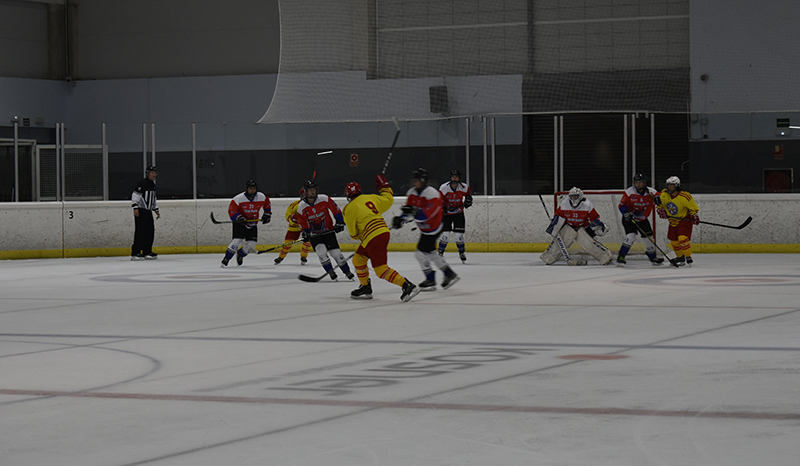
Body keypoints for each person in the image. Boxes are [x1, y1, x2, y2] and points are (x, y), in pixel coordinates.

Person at [342, 174, 420, 302]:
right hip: (381, 232)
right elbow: (389, 199)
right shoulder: (371, 198)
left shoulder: (348, 209)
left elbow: (353, 233)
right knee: (358, 259)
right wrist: (384, 187)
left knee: (380, 269)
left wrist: (358, 235)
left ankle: (407, 285)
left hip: (372, 237)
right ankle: (365, 288)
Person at [393, 168, 459, 291]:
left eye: (417, 180)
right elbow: (409, 211)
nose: (414, 182)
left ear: (423, 181)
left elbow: (428, 214)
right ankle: (449, 274)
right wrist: (400, 219)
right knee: (431, 253)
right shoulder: (412, 192)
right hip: (425, 228)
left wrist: (414, 212)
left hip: (434, 227)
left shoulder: (432, 193)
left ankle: (430, 279)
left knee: (420, 253)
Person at [296, 180, 354, 281]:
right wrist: (305, 231)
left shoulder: (324, 199)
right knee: (321, 251)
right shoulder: (301, 206)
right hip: (315, 235)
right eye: (310, 190)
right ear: (306, 191)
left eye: (314, 189)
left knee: (336, 253)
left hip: (328, 232)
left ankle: (347, 272)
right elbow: (302, 221)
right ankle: (331, 272)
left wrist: (339, 221)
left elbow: (335, 209)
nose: (313, 192)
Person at [540, 187, 613, 265]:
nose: (573, 198)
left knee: (589, 244)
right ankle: (549, 258)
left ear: (580, 196)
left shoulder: (587, 204)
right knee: (559, 242)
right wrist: (555, 225)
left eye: (575, 196)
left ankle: (605, 258)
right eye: (572, 196)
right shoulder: (565, 203)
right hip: (569, 227)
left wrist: (598, 227)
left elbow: (593, 218)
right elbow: (559, 216)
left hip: (582, 228)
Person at [616, 173, 672, 266]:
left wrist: (660, 198)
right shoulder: (630, 192)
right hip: (629, 219)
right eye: (636, 182)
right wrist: (625, 212)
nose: (638, 184)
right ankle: (621, 256)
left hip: (642, 219)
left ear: (644, 183)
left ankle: (652, 257)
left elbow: (662, 196)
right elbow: (621, 205)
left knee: (649, 238)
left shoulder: (651, 192)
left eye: (640, 182)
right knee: (631, 237)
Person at [220, 180, 271, 267]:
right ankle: (226, 259)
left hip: (252, 223)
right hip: (239, 223)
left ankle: (240, 254)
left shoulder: (261, 197)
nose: (252, 190)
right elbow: (232, 210)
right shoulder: (238, 198)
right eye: (250, 188)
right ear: (247, 189)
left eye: (254, 188)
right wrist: (238, 217)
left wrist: (267, 214)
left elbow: (267, 204)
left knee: (251, 245)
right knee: (237, 241)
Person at [654, 176, 700, 267]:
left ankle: (688, 257)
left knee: (682, 238)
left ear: (677, 185)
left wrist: (694, 215)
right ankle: (680, 258)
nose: (670, 187)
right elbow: (660, 204)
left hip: (684, 220)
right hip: (672, 221)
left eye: (672, 185)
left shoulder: (685, 196)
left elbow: (693, 208)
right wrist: (660, 209)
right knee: (674, 241)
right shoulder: (664, 194)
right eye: (669, 185)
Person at [437, 169, 473, 263]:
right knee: (445, 235)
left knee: (458, 235)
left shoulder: (464, 187)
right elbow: (439, 199)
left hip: (458, 213)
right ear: (450, 177)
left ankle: (461, 253)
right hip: (446, 215)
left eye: (456, 176)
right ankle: (440, 253)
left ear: (458, 178)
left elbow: (469, 195)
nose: (454, 178)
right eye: (453, 176)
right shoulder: (444, 187)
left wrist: (468, 201)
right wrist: (443, 207)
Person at [274, 187, 312, 265]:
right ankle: (281, 257)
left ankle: (303, 257)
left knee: (307, 242)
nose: (306, 196)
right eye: (304, 195)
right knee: (287, 242)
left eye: (307, 194)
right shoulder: (295, 205)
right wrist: (293, 219)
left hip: (307, 226)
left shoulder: (313, 205)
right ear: (301, 195)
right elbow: (287, 215)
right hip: (294, 226)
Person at [131, 166, 160, 260]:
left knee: (150, 231)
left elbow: (153, 199)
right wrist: (135, 207)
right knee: (140, 231)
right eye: (152, 173)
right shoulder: (142, 183)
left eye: (155, 173)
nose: (154, 175)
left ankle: (147, 251)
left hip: (148, 211)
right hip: (141, 210)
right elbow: (135, 195)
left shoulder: (153, 185)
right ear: (147, 173)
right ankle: (136, 252)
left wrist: (156, 210)